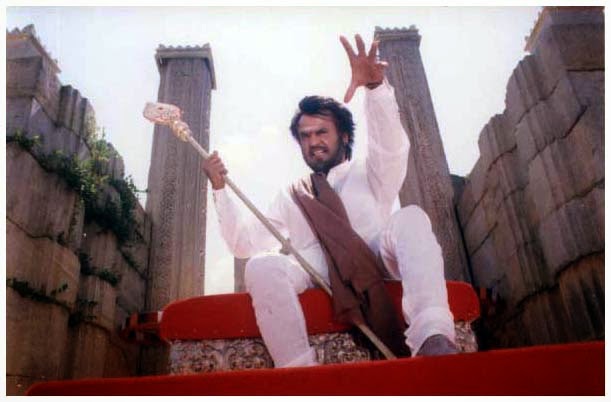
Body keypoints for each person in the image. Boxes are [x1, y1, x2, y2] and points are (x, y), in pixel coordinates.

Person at [202, 34, 457, 368]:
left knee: (411, 217)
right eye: (305, 136)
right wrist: (220, 189)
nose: (313, 142)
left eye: (322, 132)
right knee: (261, 265)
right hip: (315, 266)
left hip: (374, 255)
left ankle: (432, 337)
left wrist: (376, 89)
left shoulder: (371, 172)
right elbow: (242, 243)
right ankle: (300, 373)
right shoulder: (292, 193)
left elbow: (391, 146)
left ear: (344, 136)